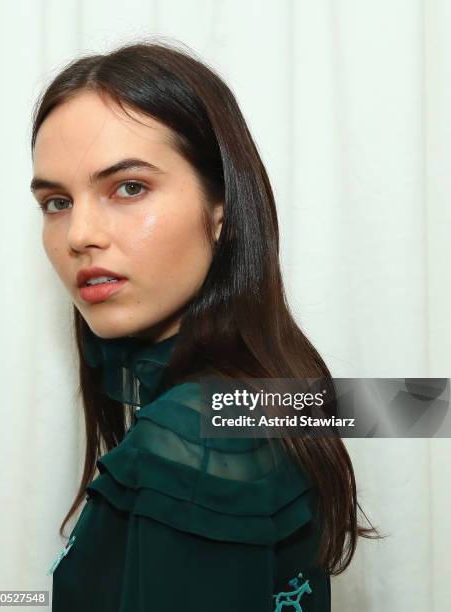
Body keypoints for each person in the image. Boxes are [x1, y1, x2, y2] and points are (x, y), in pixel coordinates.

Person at [30, 40, 379, 611]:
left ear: (220, 211)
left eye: (129, 187)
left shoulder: (195, 438)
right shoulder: (261, 391)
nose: (79, 234)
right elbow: (404, 406)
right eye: (56, 202)